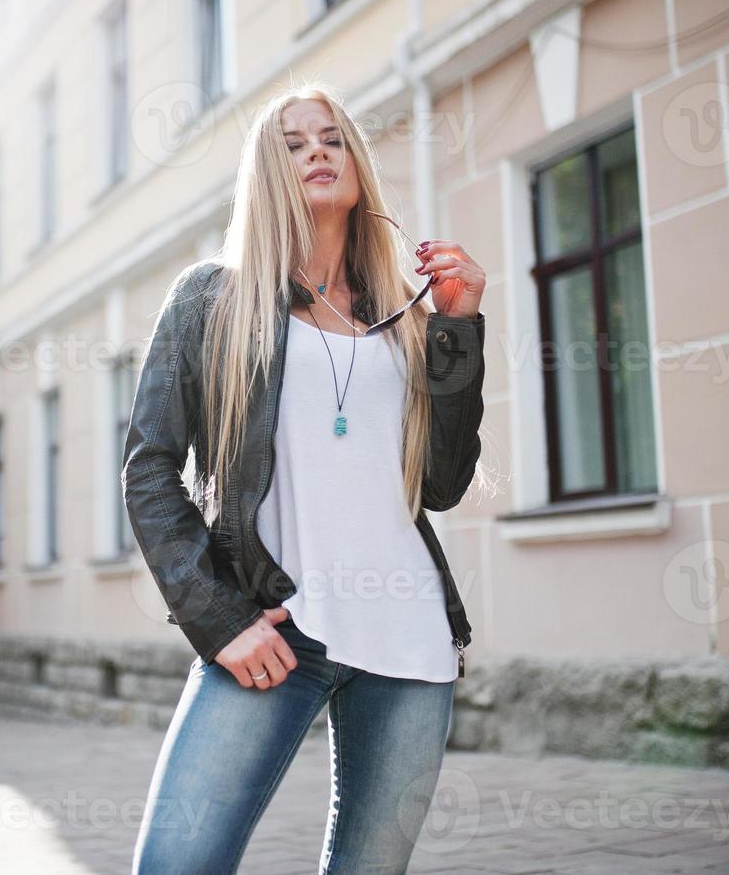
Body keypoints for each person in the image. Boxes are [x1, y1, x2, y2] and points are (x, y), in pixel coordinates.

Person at [125, 83, 487, 874]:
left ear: (356, 162)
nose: (316, 150)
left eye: (331, 138)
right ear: (268, 174)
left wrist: (458, 327)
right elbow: (150, 472)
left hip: (409, 644)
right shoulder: (212, 301)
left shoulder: (407, 317)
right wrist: (218, 620)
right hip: (277, 631)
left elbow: (444, 483)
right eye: (291, 144)